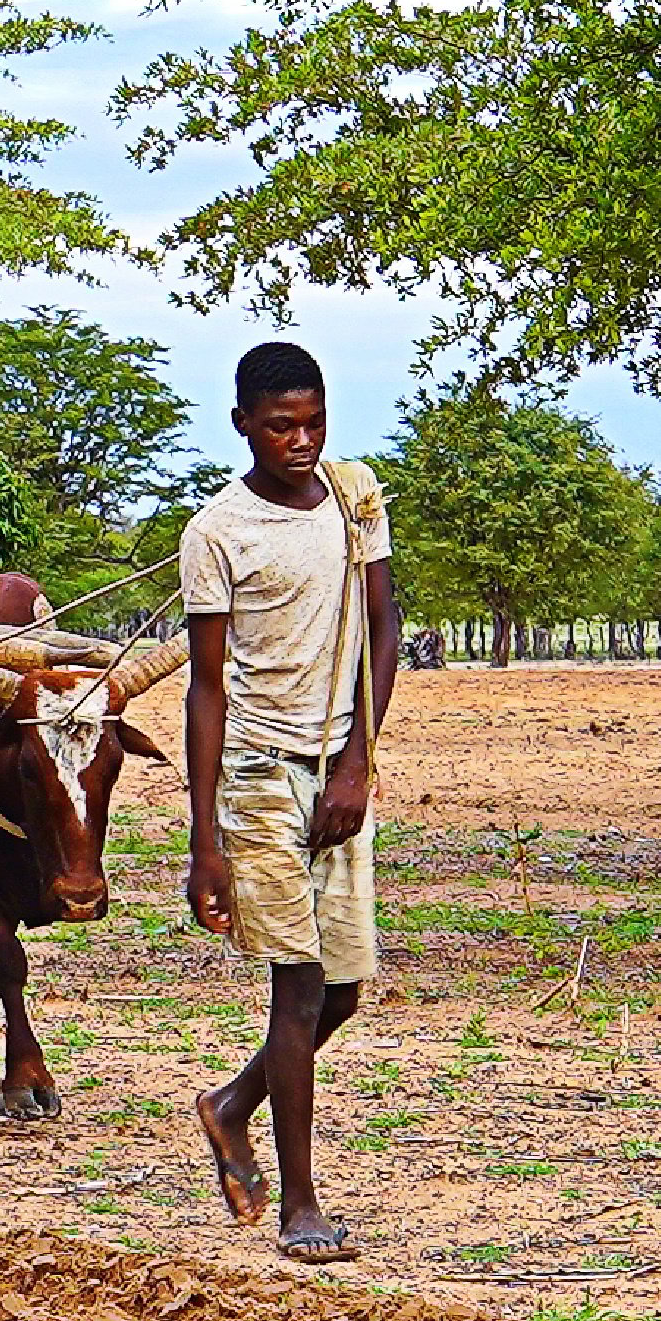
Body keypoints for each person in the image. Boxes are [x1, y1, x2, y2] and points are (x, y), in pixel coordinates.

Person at [179, 342, 399, 1263]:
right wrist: (204, 841)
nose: (300, 441)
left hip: (337, 771)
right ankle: (299, 1203)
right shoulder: (216, 532)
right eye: (279, 427)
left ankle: (230, 1104)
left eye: (313, 422)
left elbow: (383, 625)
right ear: (241, 425)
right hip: (259, 776)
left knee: (344, 987)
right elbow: (205, 689)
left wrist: (355, 764)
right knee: (298, 987)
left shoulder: (354, 496)